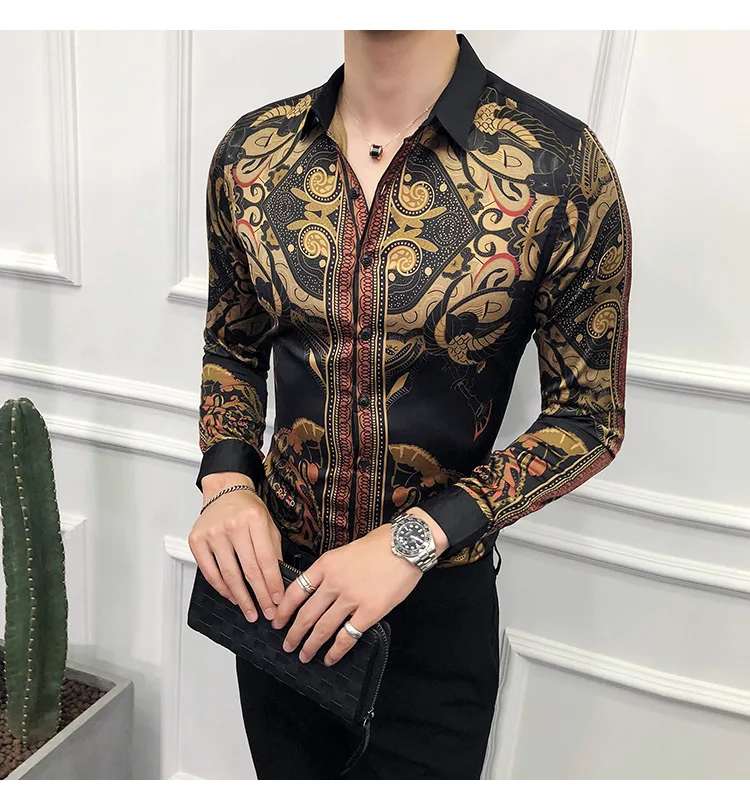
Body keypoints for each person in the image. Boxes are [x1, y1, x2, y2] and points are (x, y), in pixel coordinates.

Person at [187, 29, 632, 780]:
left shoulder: (560, 166)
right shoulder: (253, 154)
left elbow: (589, 417)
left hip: (435, 616)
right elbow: (233, 344)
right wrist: (227, 479)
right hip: (277, 598)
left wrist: (414, 540)